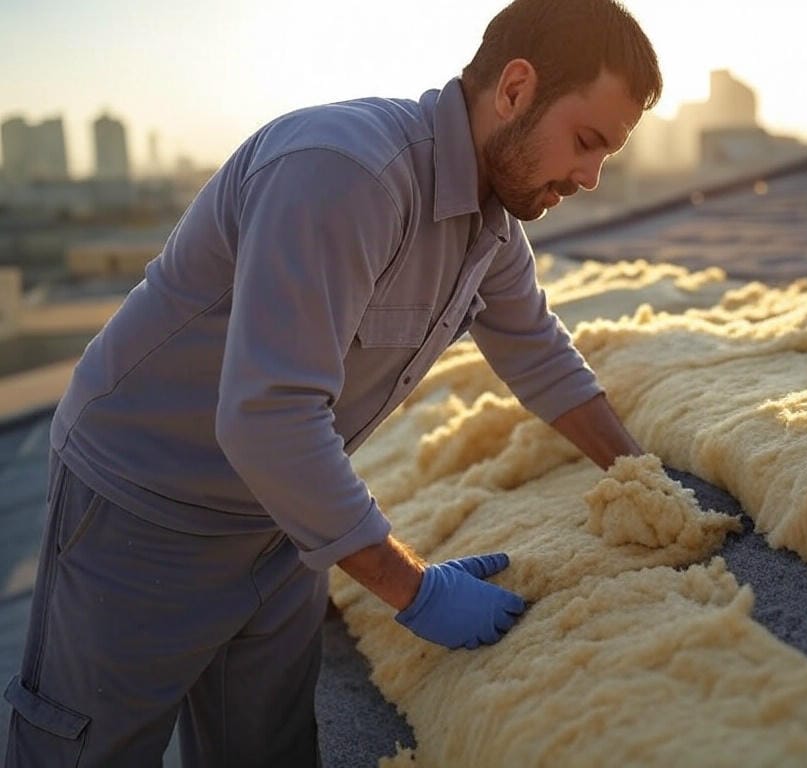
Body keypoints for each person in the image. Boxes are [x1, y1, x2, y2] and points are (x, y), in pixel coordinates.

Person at [4, 0, 662, 765]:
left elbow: (542, 356)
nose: (590, 177)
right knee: (87, 752)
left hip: (282, 525)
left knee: (268, 749)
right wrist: (413, 588)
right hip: (144, 513)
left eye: (606, 155)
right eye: (586, 142)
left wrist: (647, 482)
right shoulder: (347, 175)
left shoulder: (493, 229)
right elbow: (268, 421)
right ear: (515, 89)